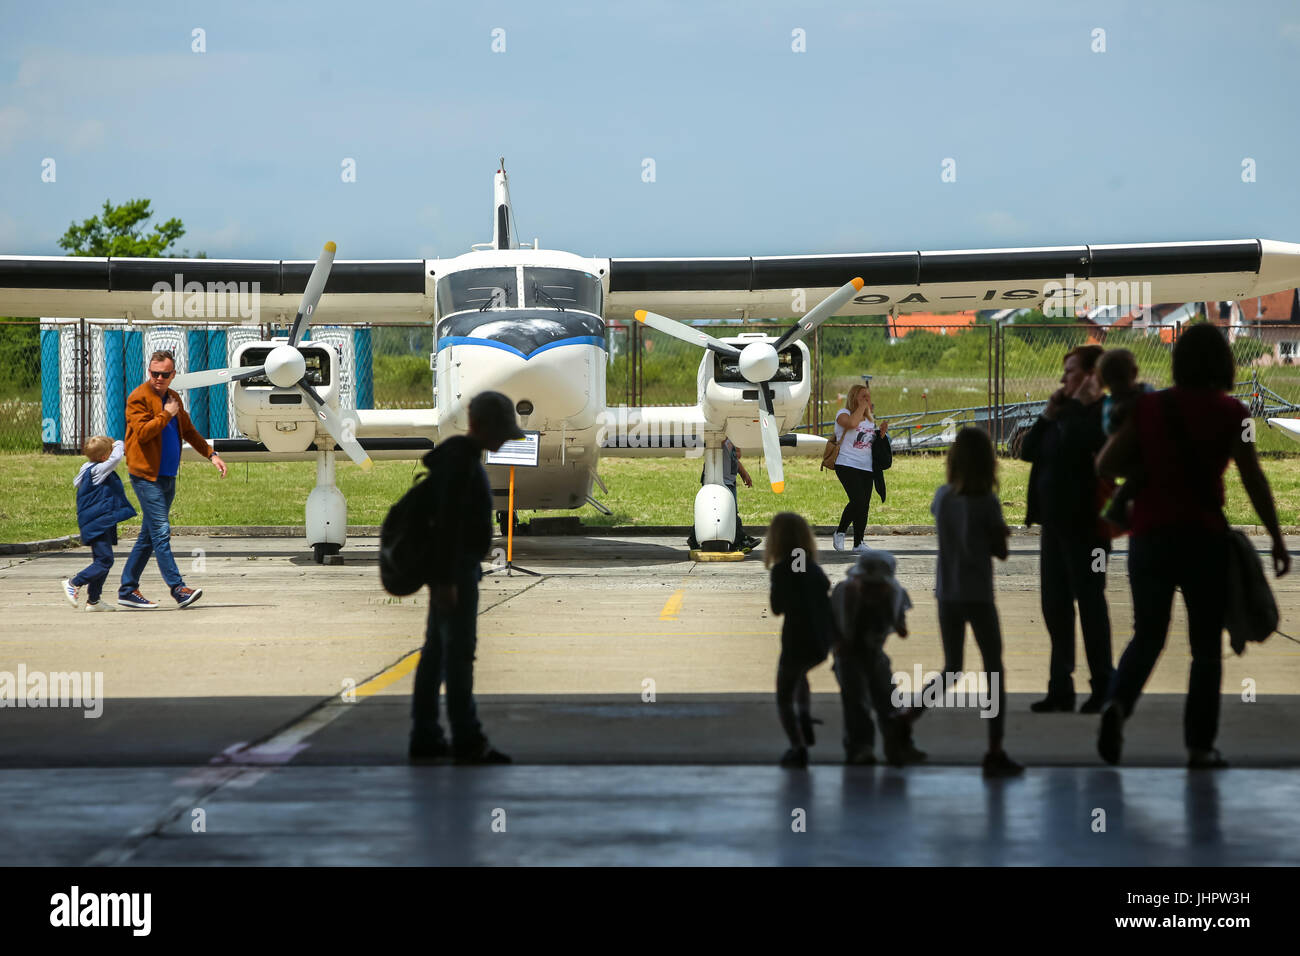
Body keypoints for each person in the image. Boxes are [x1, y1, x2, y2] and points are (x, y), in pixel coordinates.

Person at [1096, 323, 1290, 768]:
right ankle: (1200, 747)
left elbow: (1106, 462)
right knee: (1205, 647)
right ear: (1224, 363)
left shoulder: (1148, 408)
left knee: (1148, 635)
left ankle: (1116, 706)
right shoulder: (1235, 414)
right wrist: (1277, 538)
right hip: (1204, 539)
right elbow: (1253, 479)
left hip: (1149, 537)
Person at [410, 391, 524, 765]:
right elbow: (445, 528)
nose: (506, 439)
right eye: (502, 431)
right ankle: (467, 740)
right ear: (482, 426)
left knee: (436, 654)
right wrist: (446, 583)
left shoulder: (459, 460)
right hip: (454, 573)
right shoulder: (461, 467)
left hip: (454, 571)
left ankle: (426, 735)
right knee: (457, 657)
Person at [1018, 344, 1112, 713]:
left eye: (1070, 372)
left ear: (1091, 376)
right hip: (1055, 527)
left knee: (1090, 605)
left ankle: (1103, 684)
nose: (1062, 379)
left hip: (1088, 529)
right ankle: (1061, 687)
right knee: (1054, 607)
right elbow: (1028, 451)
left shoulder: (1102, 414)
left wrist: (1071, 407)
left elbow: (1078, 442)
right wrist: (1048, 413)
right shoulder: (1063, 413)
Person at [927, 427, 1022, 776]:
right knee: (993, 669)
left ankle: (906, 716)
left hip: (947, 594)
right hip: (979, 596)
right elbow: (1000, 552)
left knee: (952, 667)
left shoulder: (942, 497)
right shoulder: (988, 503)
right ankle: (994, 750)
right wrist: (1001, 534)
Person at [118, 350, 227, 609]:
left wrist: (211, 454)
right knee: (161, 531)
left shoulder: (173, 397)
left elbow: (188, 431)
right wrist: (166, 414)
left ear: (172, 375)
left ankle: (127, 588)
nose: (158, 378)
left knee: (149, 536)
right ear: (149, 372)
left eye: (164, 374)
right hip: (146, 476)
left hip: (167, 476)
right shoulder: (138, 398)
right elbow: (143, 434)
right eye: (154, 373)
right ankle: (178, 589)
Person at [830, 548, 924, 766]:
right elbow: (832, 624)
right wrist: (838, 644)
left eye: (877, 585)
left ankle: (899, 746)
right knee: (856, 704)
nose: (872, 590)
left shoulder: (895, 594)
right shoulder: (844, 593)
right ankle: (860, 749)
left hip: (875, 654)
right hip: (848, 655)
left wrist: (897, 622)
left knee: (890, 700)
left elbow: (900, 626)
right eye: (867, 584)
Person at [765, 512, 834, 768]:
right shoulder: (813, 567)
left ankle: (797, 747)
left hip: (795, 641)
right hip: (820, 640)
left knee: (784, 697)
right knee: (801, 676)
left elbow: (777, 608)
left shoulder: (782, 569)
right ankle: (804, 714)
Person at [62, 436, 137, 611]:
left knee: (101, 561)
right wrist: (118, 443)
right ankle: (74, 583)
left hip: (98, 521)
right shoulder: (99, 470)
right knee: (105, 561)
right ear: (104, 458)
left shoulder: (86, 468)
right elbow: (117, 457)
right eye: (109, 452)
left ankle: (94, 601)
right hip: (98, 522)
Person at [1096, 349, 1154, 531]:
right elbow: (1109, 427)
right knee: (1137, 476)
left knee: (1137, 477)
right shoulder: (1113, 405)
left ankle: (1118, 507)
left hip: (1138, 449)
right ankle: (1117, 508)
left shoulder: (1143, 393)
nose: (1118, 390)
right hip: (1127, 451)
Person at [832, 383, 889, 552]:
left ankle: (858, 543)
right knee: (857, 500)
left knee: (864, 505)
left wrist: (882, 435)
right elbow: (850, 424)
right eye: (863, 396)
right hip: (846, 463)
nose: (867, 399)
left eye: (868, 396)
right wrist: (862, 407)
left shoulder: (870, 422)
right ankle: (840, 532)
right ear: (853, 397)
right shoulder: (843, 414)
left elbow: (871, 445)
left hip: (866, 467)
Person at [687, 438, 760, 551]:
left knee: (727, 512)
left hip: (729, 480)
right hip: (718, 479)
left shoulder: (731, 440)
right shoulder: (719, 437)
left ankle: (694, 537)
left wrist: (744, 474)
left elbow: (737, 457)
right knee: (730, 512)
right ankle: (741, 541)